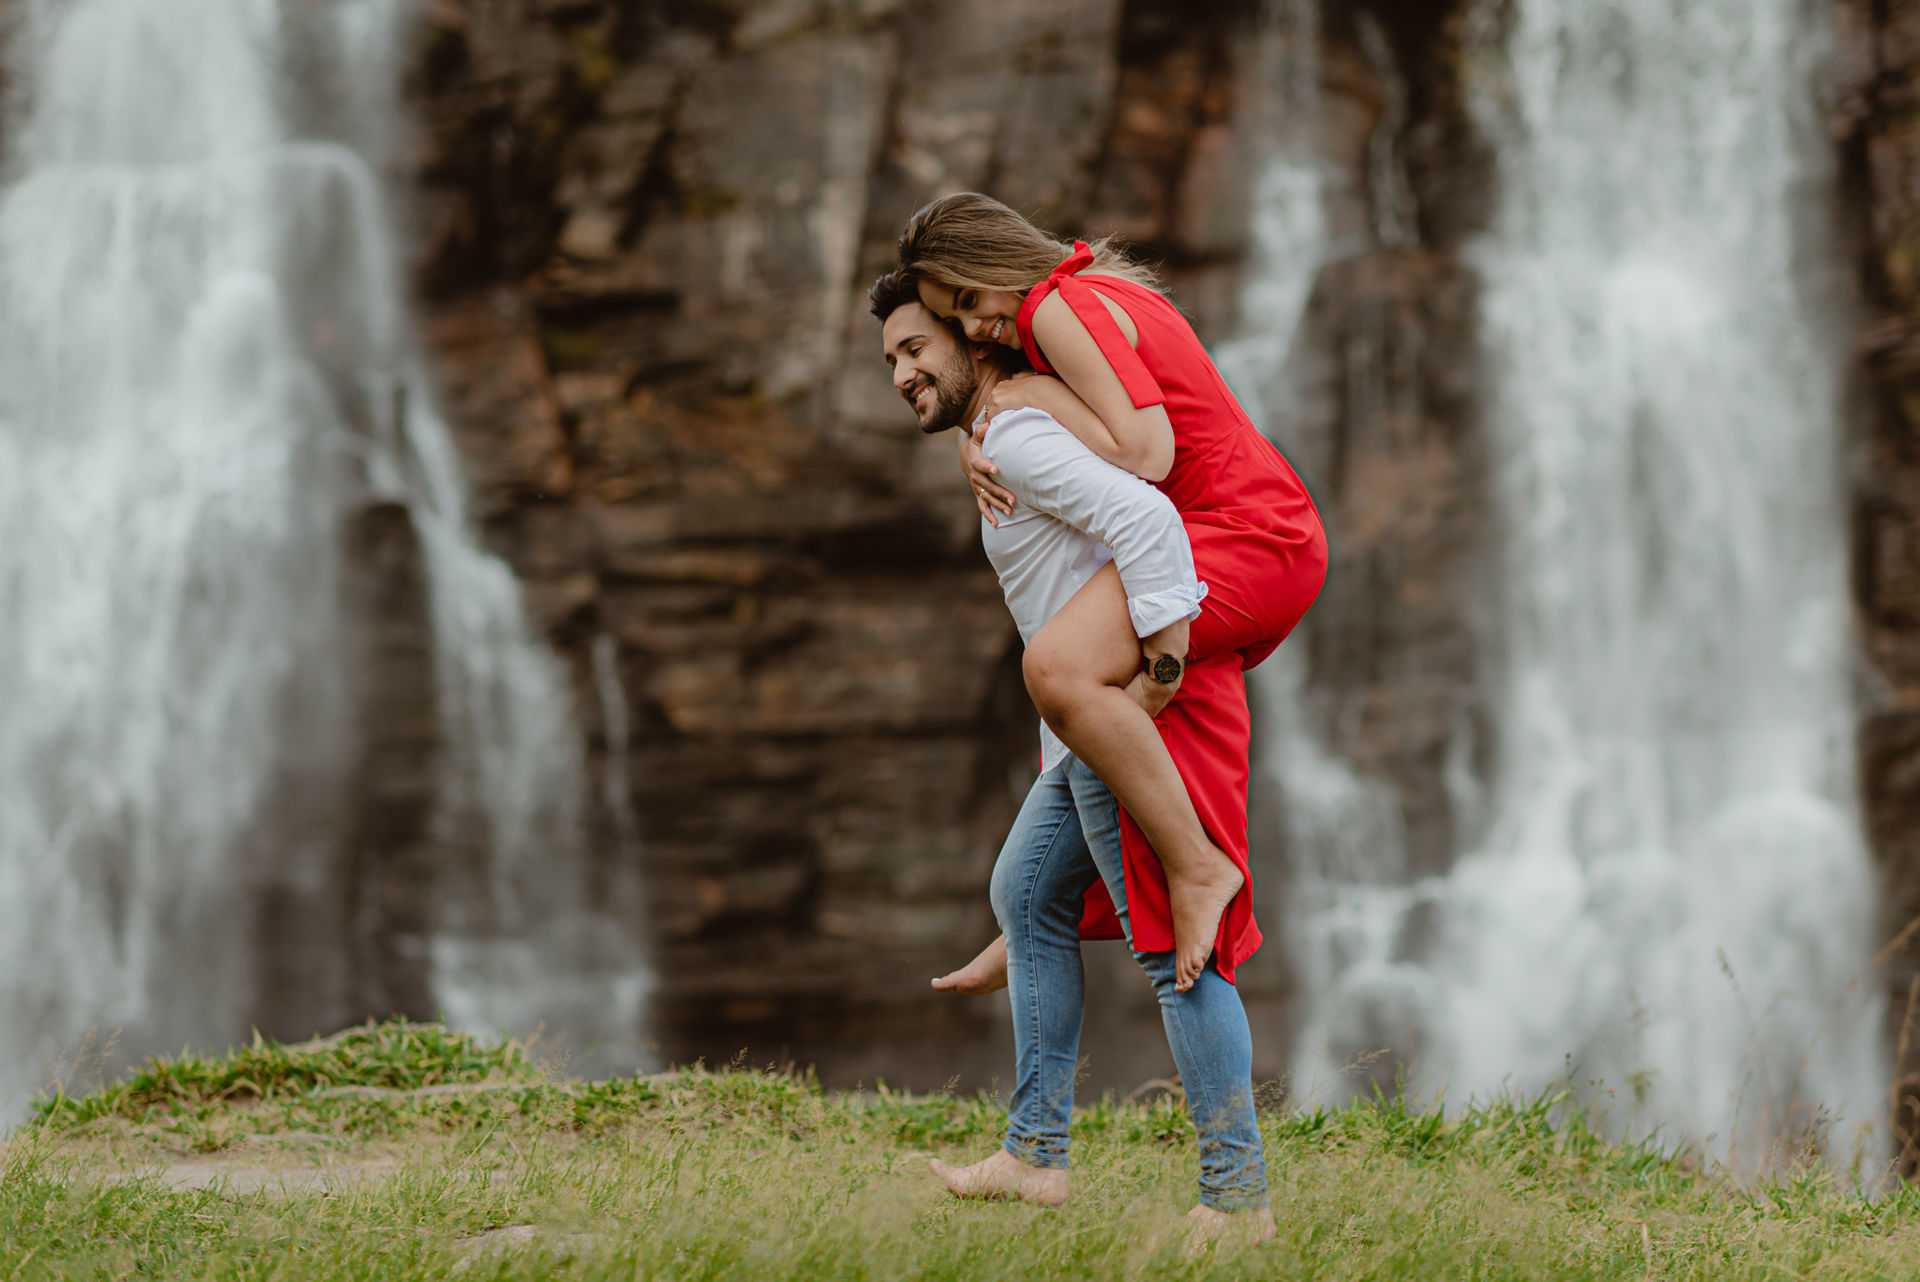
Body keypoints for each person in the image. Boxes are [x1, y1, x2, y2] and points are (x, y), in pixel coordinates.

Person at [870, 272, 1274, 1243]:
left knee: (1171, 939)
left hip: (1128, 706)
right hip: (1088, 722)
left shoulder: (1016, 432)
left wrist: (1161, 677)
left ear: (976, 337)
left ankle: (1236, 1199)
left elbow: (1147, 521)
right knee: (1027, 893)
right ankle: (1034, 1152)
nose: (900, 372)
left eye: (916, 348)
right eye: (888, 360)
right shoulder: (1003, 430)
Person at [896, 194, 1328, 994]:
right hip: (1256, 525)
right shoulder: (1091, 285)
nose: (979, 325)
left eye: (968, 301)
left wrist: (1023, 400)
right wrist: (982, 432)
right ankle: (1035, 909)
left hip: (1244, 531)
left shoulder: (1058, 304)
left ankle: (1192, 874)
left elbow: (1146, 453)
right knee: (1085, 693)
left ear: (996, 264)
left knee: (1061, 667)